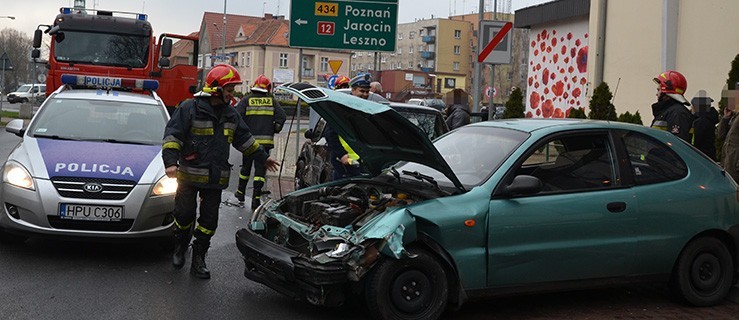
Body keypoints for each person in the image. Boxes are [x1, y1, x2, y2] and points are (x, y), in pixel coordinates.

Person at [162, 64, 279, 279]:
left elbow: (245, 140)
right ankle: (180, 245)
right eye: (229, 89)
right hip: (189, 176)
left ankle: (199, 258)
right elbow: (173, 136)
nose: (232, 94)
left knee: (208, 222)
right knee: (184, 214)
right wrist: (170, 162)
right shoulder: (189, 108)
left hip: (215, 179)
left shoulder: (231, 114)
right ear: (216, 88)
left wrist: (264, 157)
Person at [234, 75, 286, 209]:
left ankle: (240, 192)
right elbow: (282, 116)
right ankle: (256, 198)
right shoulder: (271, 101)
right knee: (260, 171)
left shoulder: (246, 100)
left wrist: (242, 132)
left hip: (249, 142)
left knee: (245, 167)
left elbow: (236, 117)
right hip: (265, 143)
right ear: (268, 88)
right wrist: (275, 128)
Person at [324, 74, 371, 180]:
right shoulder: (341, 109)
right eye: (362, 91)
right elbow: (330, 134)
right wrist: (342, 155)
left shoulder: (368, 110)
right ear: (353, 90)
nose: (365, 94)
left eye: (367, 92)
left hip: (364, 163)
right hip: (344, 163)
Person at [650, 70, 693, 142]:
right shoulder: (668, 112)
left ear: (666, 92)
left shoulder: (678, 113)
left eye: (658, 90)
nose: (656, 94)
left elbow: (677, 145)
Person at [690, 91, 718, 161]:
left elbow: (695, 141)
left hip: (701, 157)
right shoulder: (709, 119)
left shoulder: (701, 122)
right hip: (708, 156)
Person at [720, 83, 739, 181]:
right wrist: (726, 118)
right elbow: (721, 136)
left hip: (735, 166)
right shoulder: (734, 116)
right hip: (729, 164)